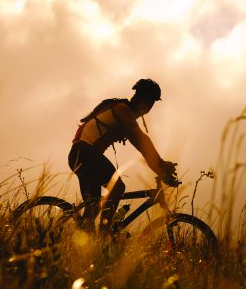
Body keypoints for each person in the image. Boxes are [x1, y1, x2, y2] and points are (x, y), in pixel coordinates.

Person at [68, 78, 177, 232]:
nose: (150, 106)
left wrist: (162, 172)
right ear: (143, 99)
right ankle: (104, 234)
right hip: (85, 153)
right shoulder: (122, 110)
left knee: (92, 209)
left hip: (80, 155)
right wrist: (161, 164)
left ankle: (86, 243)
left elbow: (143, 149)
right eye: (150, 101)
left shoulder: (126, 118)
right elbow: (142, 138)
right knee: (118, 187)